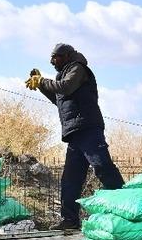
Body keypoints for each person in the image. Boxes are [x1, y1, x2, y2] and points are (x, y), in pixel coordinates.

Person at [25, 43, 124, 230]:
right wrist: (41, 85)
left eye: (56, 57)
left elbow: (66, 87)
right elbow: (60, 100)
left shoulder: (78, 68)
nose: (52, 61)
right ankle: (69, 219)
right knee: (70, 179)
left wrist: (42, 81)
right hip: (74, 134)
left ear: (67, 55)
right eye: (51, 59)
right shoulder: (63, 75)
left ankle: (125, 203)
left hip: (87, 129)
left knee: (102, 167)